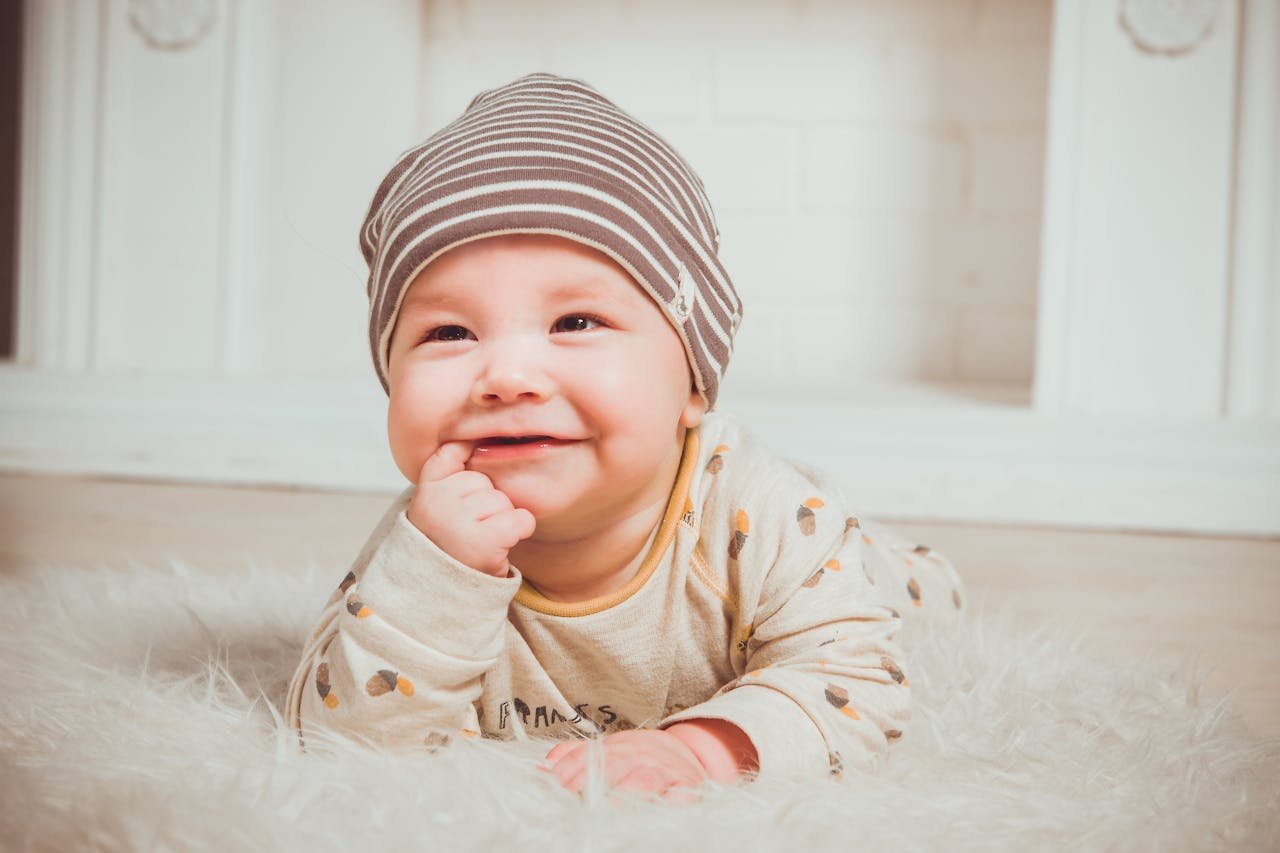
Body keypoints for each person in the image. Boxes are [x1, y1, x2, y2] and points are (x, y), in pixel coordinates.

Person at [285, 72, 965, 799]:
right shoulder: (429, 542)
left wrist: (702, 750)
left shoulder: (762, 512)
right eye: (448, 331)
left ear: (694, 383)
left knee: (895, 596)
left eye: (575, 322)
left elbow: (856, 680)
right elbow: (341, 736)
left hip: (812, 551)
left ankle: (897, 560)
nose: (508, 376)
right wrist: (436, 583)